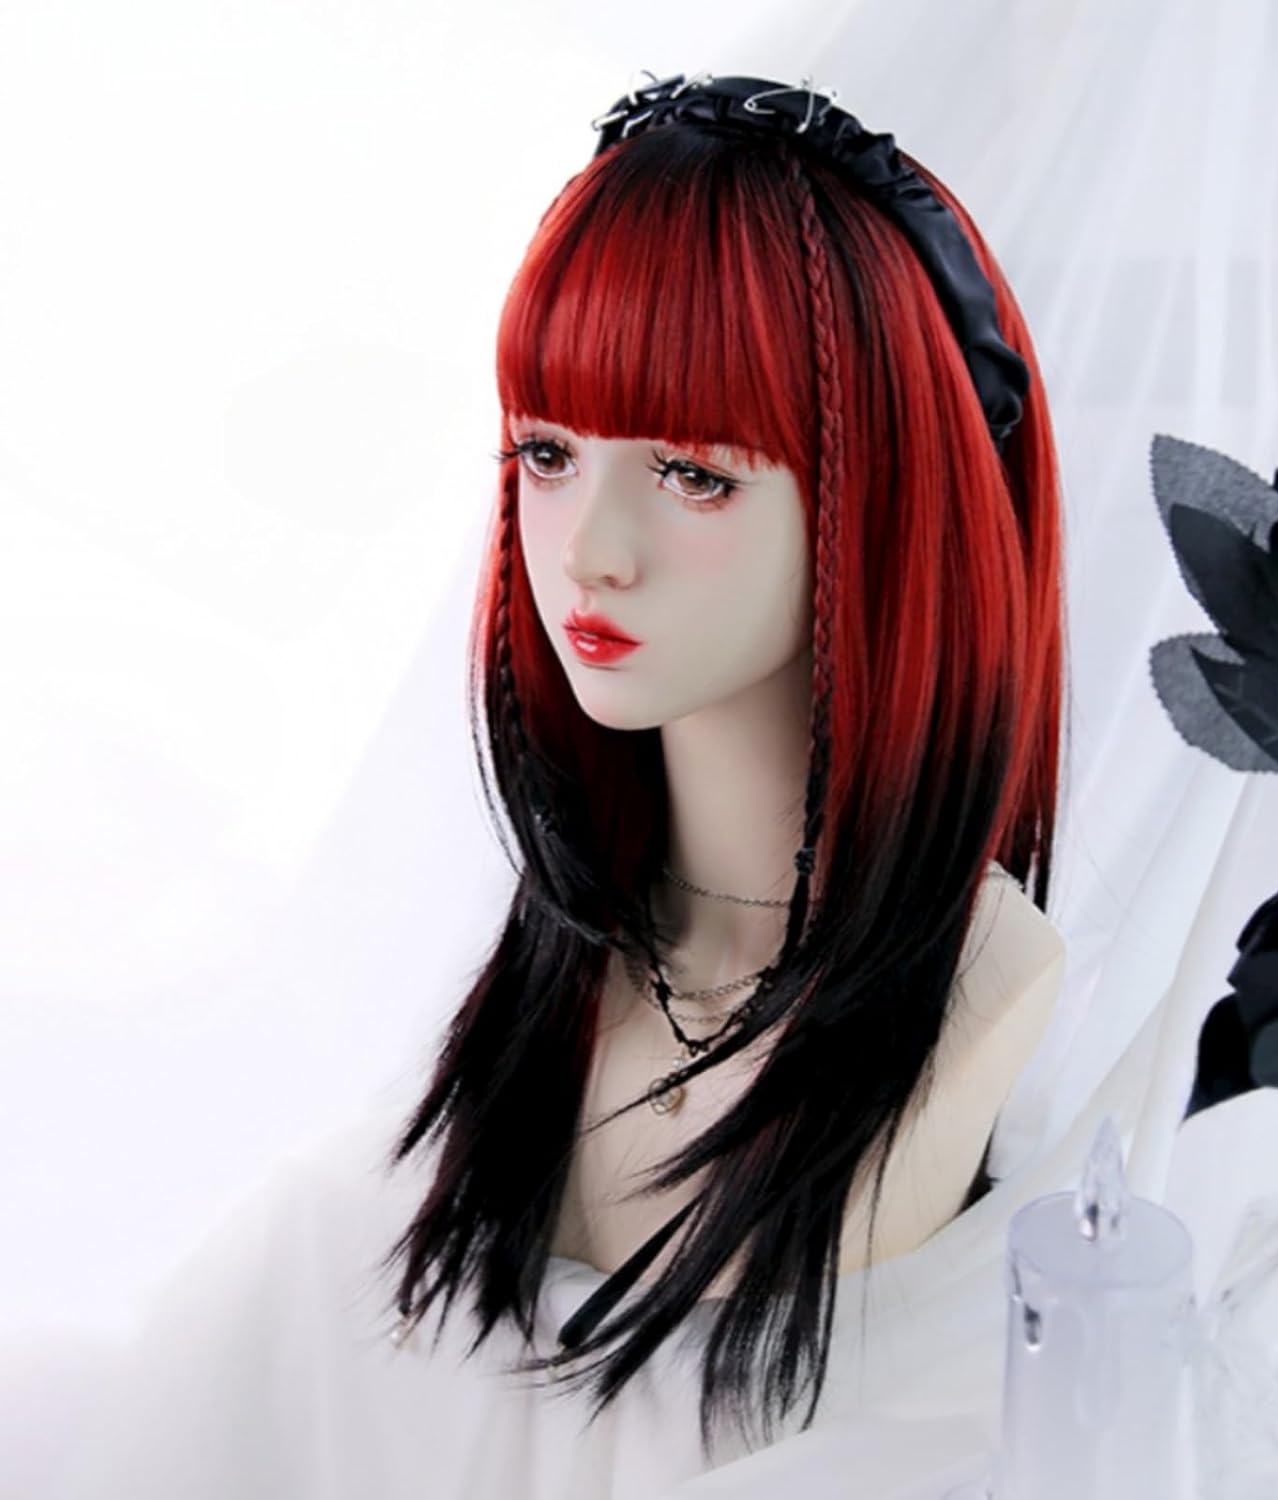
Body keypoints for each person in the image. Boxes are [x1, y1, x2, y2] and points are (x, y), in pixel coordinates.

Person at [50, 71, 1071, 1499]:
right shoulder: (574, 944)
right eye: (547, 452)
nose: (588, 548)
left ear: (882, 500)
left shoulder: (978, 988)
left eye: (696, 476)